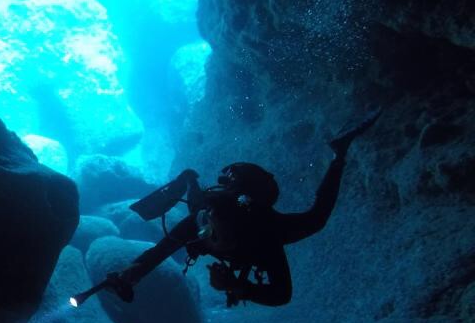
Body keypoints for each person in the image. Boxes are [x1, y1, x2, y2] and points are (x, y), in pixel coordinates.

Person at [103, 107, 382, 307]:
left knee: (317, 219)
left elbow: (282, 294)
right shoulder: (199, 222)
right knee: (195, 203)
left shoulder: (265, 237)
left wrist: (236, 286)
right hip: (216, 206)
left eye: (219, 233)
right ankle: (190, 178)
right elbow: (160, 251)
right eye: (211, 229)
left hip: (257, 221)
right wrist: (132, 273)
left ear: (240, 230)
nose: (211, 235)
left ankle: (339, 156)